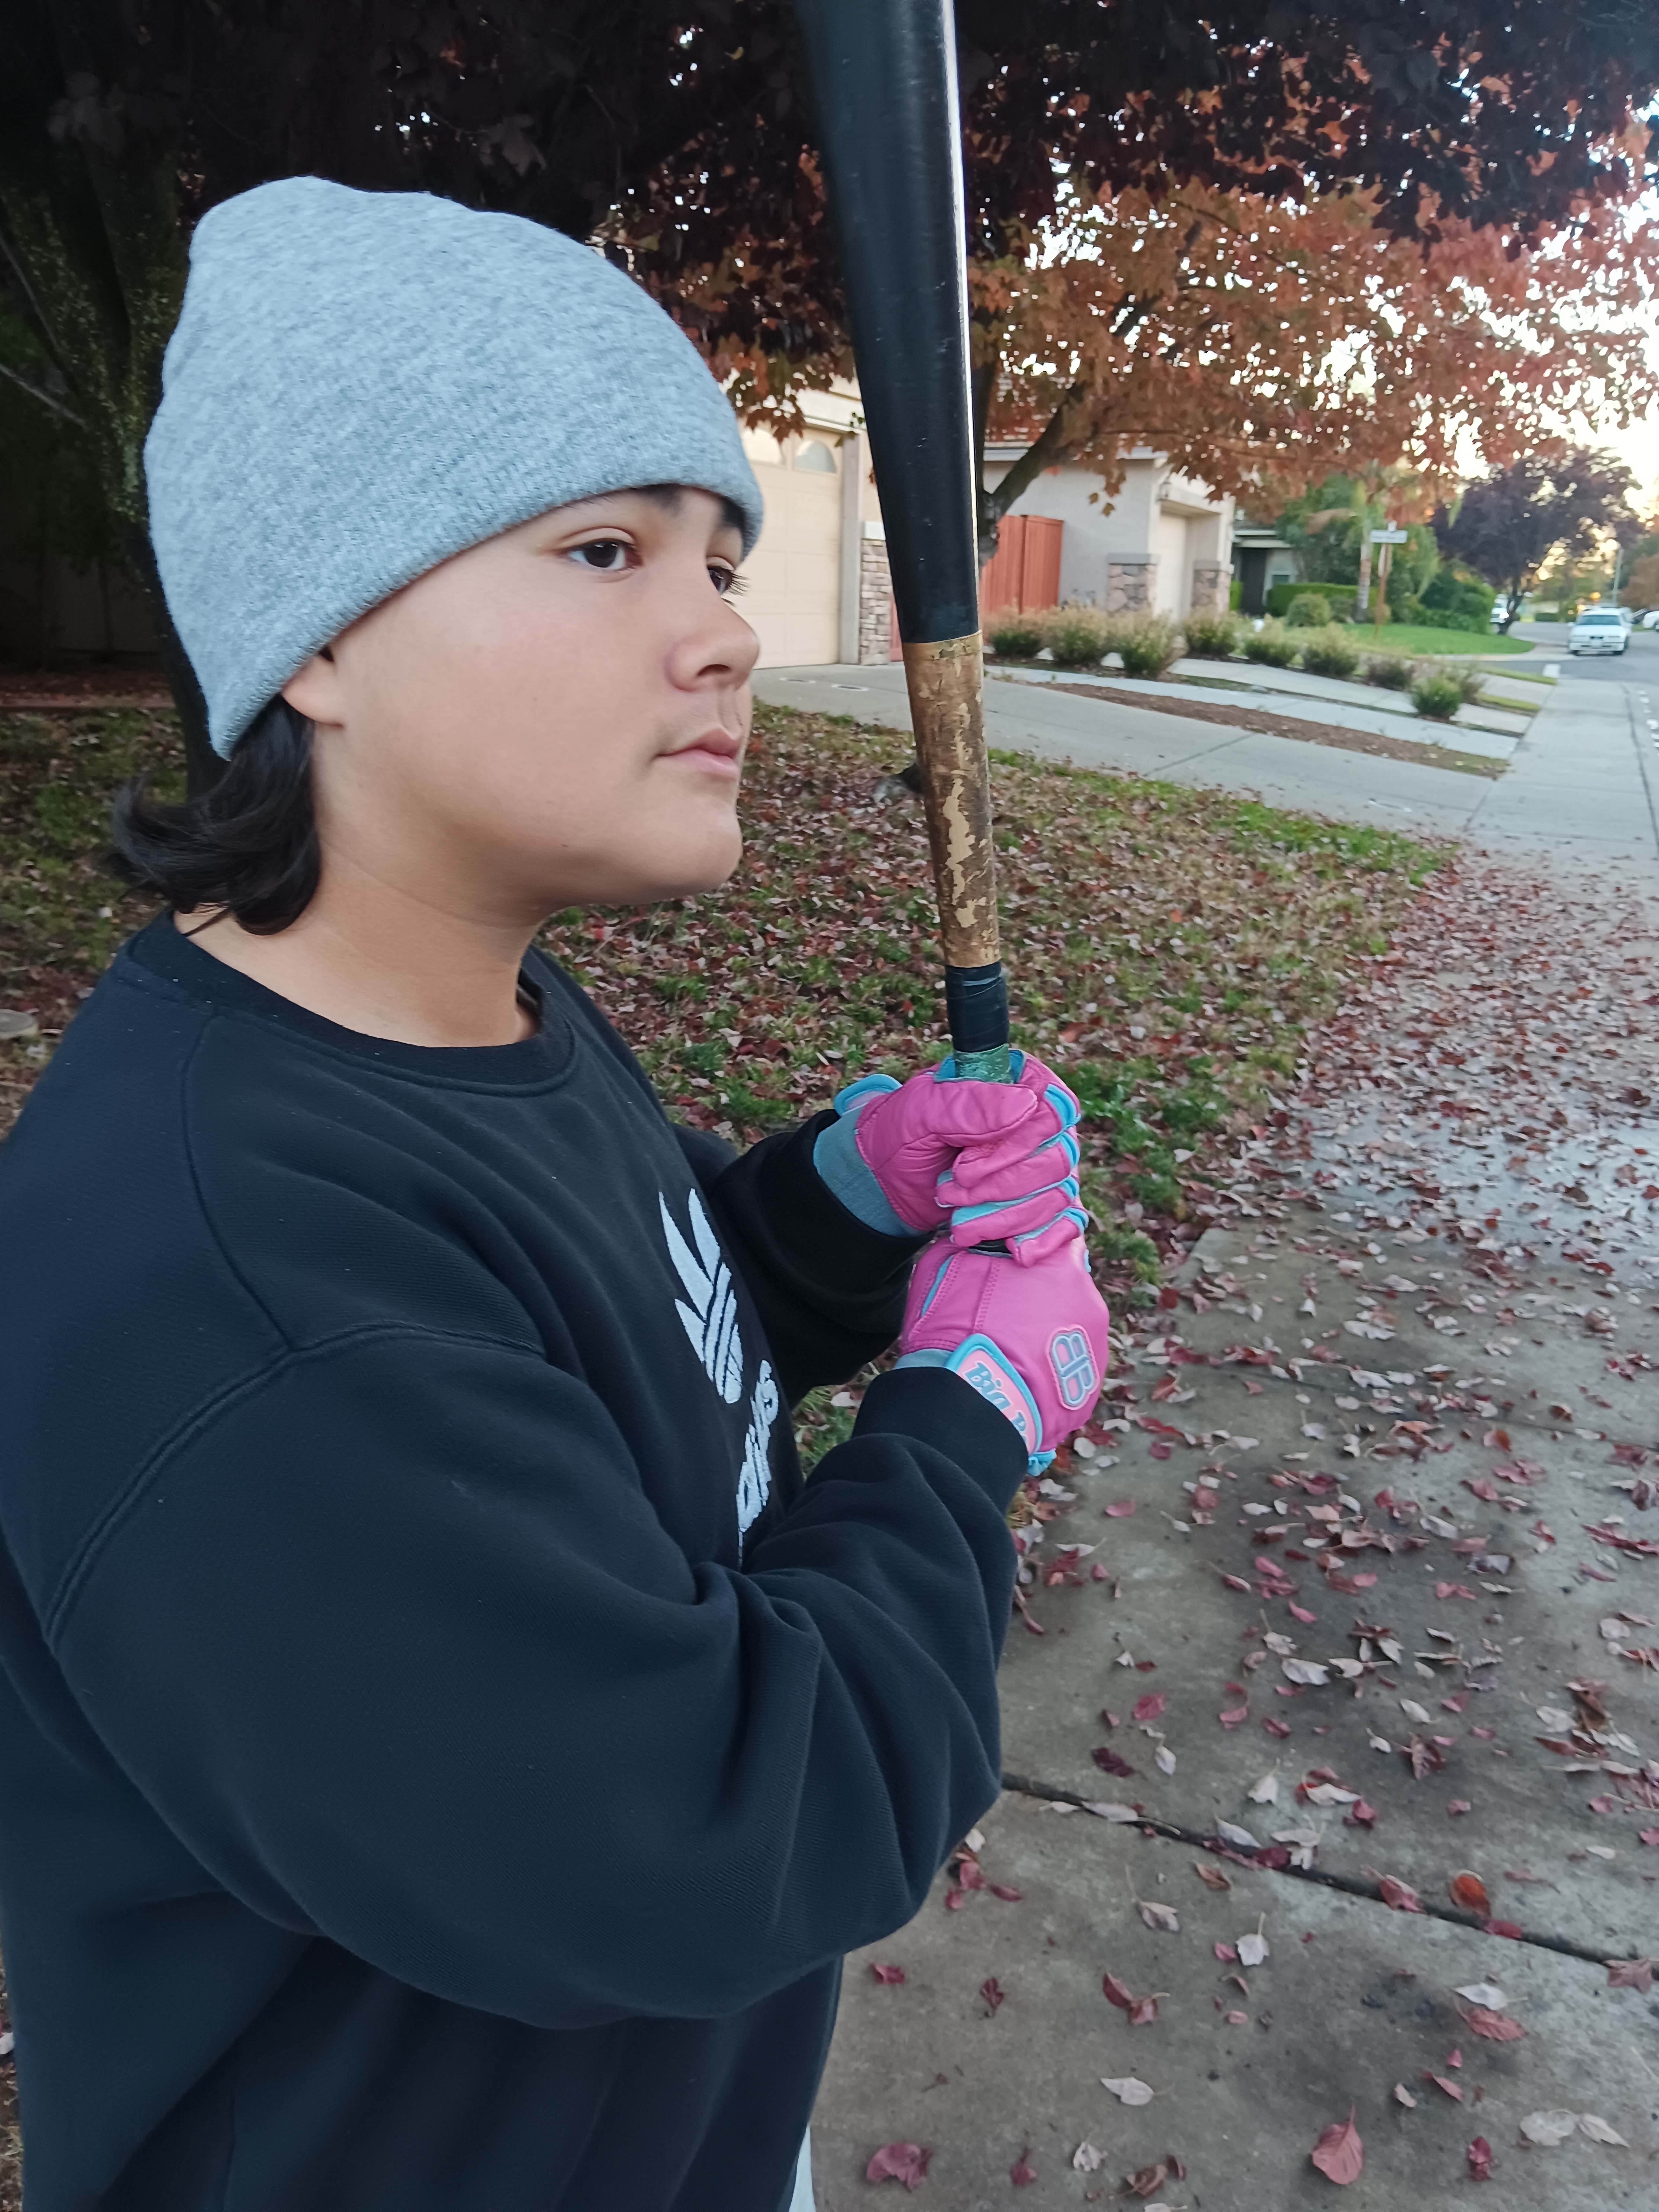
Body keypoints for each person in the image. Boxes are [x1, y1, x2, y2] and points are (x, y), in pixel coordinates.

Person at [0, 179, 1108, 2212]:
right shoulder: (228, 1282)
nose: (719, 630)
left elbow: (605, 1361)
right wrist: (960, 1428)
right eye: (604, 549)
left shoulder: (473, 1014)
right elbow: (714, 1831)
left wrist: (840, 1213)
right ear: (317, 633)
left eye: (719, 555)